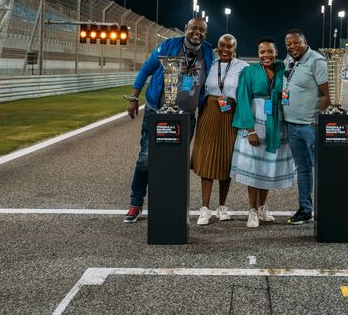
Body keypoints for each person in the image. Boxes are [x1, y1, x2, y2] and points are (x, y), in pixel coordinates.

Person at [123, 17, 214, 223]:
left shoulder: (208, 51)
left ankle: (169, 203)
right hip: (157, 111)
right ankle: (135, 203)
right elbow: (146, 69)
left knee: (176, 162)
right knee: (146, 158)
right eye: (193, 28)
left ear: (205, 33)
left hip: (186, 117)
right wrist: (134, 98)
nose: (197, 32)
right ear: (186, 29)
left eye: (201, 30)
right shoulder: (169, 45)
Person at [231, 36, 295, 228]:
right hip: (255, 123)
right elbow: (242, 98)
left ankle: (262, 208)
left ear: (276, 52)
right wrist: (249, 130)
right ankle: (251, 209)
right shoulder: (249, 72)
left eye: (269, 51)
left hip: (277, 123)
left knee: (268, 168)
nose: (265, 55)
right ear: (258, 54)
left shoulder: (284, 70)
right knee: (254, 168)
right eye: (262, 52)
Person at [191, 34, 249, 225]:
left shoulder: (243, 67)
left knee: (226, 161)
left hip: (230, 114)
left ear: (235, 48)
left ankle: (222, 207)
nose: (225, 49)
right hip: (209, 112)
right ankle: (205, 208)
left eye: (229, 46)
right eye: (222, 46)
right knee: (207, 159)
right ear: (217, 47)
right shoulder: (210, 64)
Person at [282, 29, 330, 225]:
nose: (293, 47)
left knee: (321, 169)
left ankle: (327, 208)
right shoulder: (289, 60)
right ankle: (305, 209)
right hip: (292, 124)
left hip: (310, 126)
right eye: (289, 44)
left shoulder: (317, 61)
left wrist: (316, 120)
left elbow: (327, 94)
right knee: (302, 170)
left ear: (305, 42)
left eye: (296, 43)